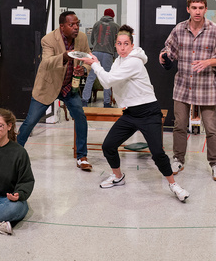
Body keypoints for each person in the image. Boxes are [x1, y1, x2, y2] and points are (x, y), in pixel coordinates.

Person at [78, 25, 190, 202]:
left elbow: (107, 80)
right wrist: (96, 65)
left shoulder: (134, 61)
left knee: (157, 153)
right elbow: (107, 83)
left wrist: (95, 64)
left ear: (132, 45)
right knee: (108, 146)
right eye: (119, 44)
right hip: (130, 114)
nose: (122, 47)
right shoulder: (118, 61)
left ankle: (173, 185)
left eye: (126, 44)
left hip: (149, 112)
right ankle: (118, 176)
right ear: (115, 45)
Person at [159, 0, 216, 182]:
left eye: (201, 8)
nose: (197, 11)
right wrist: (163, 56)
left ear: (206, 10)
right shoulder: (179, 29)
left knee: (212, 128)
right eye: (194, 8)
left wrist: (207, 62)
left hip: (206, 88)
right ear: (188, 9)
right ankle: (178, 159)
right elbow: (169, 50)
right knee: (179, 125)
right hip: (183, 86)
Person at [16, 11, 93, 171]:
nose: (76, 27)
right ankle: (14, 154)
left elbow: (88, 58)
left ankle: (82, 157)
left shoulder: (83, 38)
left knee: (80, 118)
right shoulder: (48, 39)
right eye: (71, 25)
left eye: (77, 23)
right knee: (31, 121)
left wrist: (83, 70)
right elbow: (47, 63)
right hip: (48, 86)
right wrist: (65, 56)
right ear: (62, 26)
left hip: (69, 87)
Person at [81, 8, 120, 108]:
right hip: (108, 54)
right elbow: (117, 43)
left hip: (95, 52)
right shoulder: (115, 26)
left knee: (90, 78)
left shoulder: (96, 24)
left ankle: (84, 100)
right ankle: (106, 103)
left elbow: (93, 40)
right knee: (107, 78)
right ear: (113, 16)